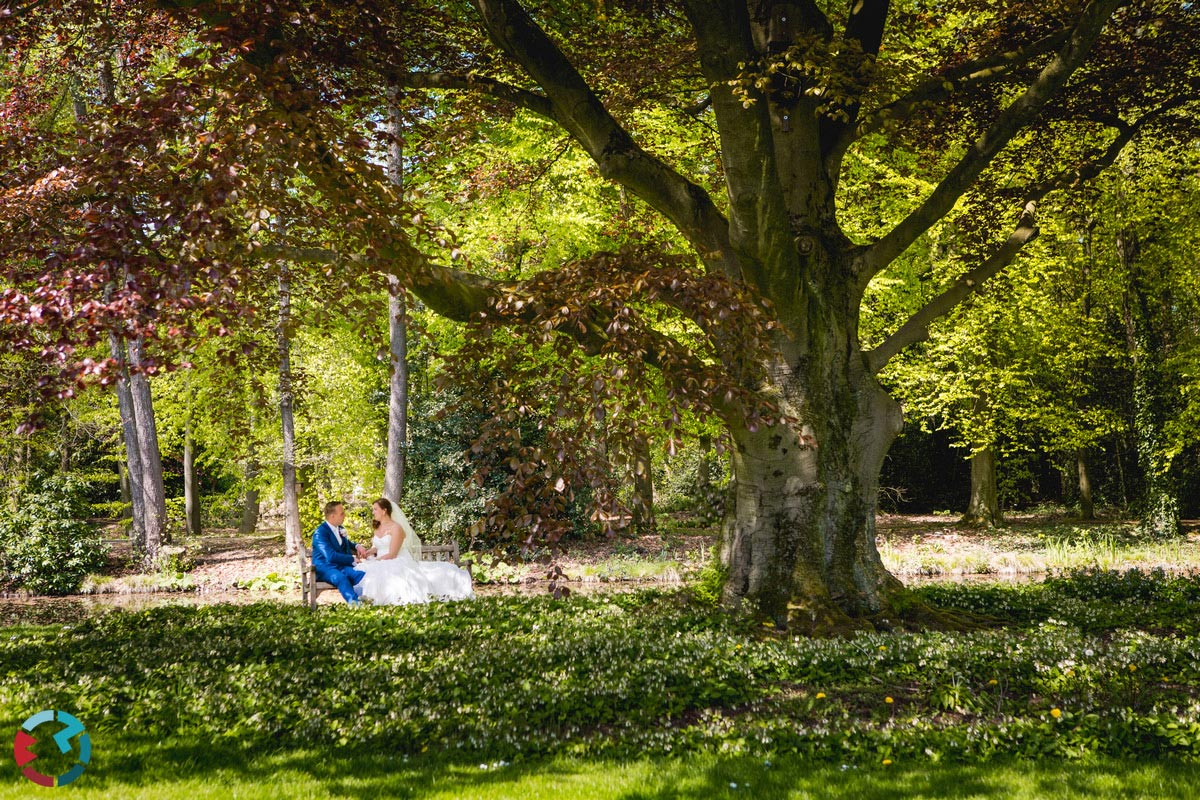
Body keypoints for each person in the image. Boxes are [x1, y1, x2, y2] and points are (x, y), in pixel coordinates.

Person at [355, 497, 474, 605]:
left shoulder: (396, 528)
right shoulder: (378, 527)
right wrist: (368, 552)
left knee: (382, 572)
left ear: (384, 511)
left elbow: (392, 554)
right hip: (381, 559)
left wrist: (375, 561)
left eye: (375, 509)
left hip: (394, 559)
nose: (373, 512)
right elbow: (379, 546)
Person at [311, 501, 368, 605]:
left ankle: (369, 600)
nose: (344, 515)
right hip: (324, 568)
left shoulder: (340, 528)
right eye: (342, 513)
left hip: (340, 567)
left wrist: (357, 546)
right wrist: (352, 559)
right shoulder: (320, 533)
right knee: (341, 578)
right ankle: (356, 605)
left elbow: (345, 543)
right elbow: (330, 556)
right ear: (332, 516)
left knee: (361, 575)